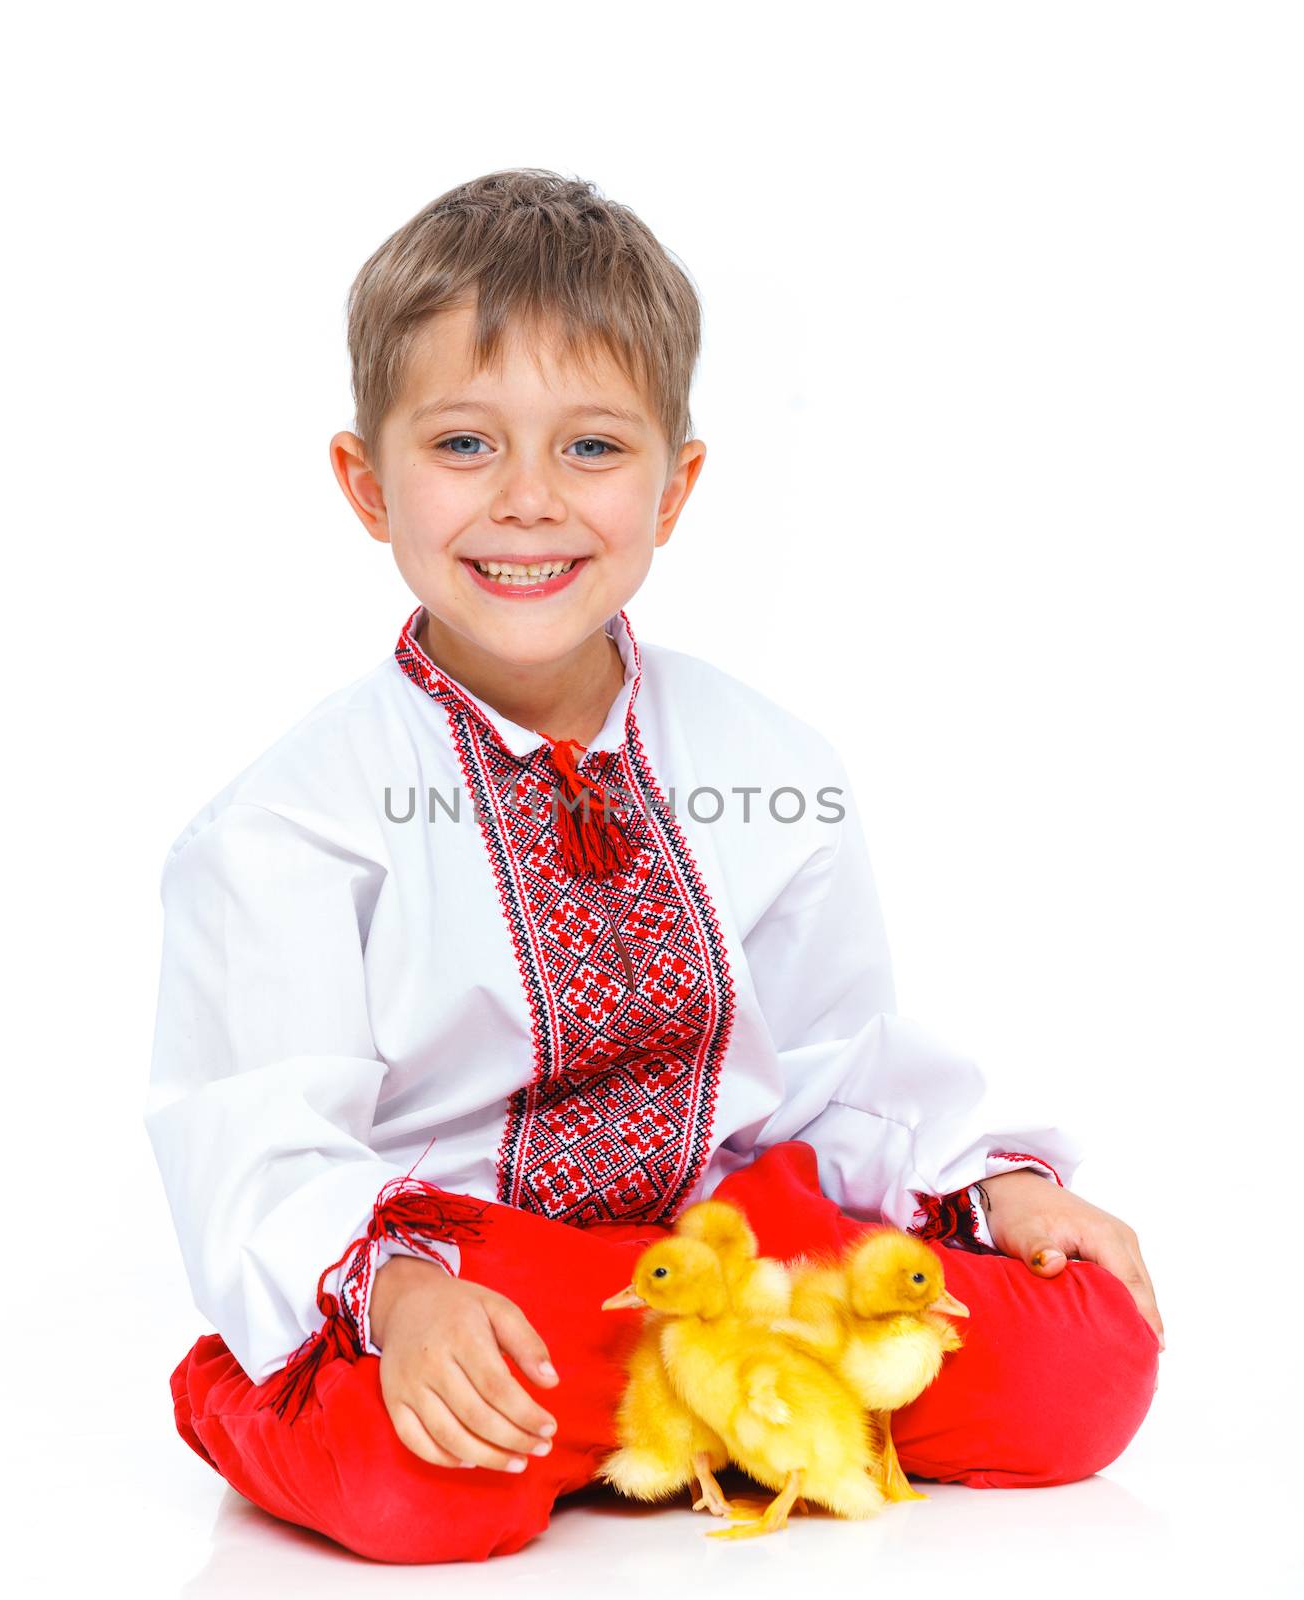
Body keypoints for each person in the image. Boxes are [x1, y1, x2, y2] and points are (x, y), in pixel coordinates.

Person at [147, 167, 1163, 1565]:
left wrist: (993, 1194)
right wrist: (405, 1301)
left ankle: (687, 1405)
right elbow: (263, 1151)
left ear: (676, 487)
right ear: (363, 484)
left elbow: (839, 1068)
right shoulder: (289, 825)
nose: (525, 503)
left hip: (724, 1264)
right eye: (461, 445)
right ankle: (260, 1392)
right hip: (475, 1289)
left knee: (1087, 1358)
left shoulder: (771, 758)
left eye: (591, 449)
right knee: (420, 1488)